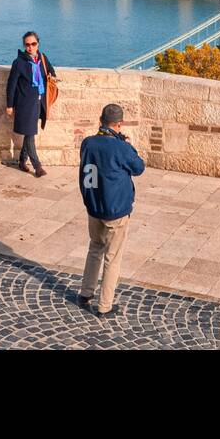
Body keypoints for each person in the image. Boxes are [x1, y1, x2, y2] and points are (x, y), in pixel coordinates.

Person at [77, 103, 145, 317]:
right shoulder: (121, 148)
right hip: (115, 210)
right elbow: (139, 167)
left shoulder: (88, 143)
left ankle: (85, 293)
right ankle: (105, 305)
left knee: (95, 248)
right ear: (119, 123)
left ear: (101, 120)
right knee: (112, 257)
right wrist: (127, 145)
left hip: (93, 207)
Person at [5, 30, 56, 177]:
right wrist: (9, 105)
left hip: (39, 102)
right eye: (27, 45)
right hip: (24, 104)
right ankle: (37, 166)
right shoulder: (19, 63)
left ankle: (22, 160)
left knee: (30, 133)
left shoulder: (42, 58)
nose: (30, 47)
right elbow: (11, 85)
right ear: (24, 46)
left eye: (33, 44)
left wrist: (52, 76)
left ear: (37, 44)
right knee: (30, 133)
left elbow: (51, 71)